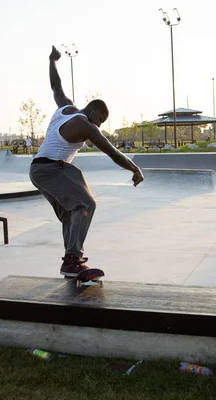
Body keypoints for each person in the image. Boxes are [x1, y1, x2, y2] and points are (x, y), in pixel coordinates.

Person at [29, 45, 144, 277]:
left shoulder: (65, 108)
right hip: (52, 169)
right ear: (92, 110)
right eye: (100, 120)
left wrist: (52, 61)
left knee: (70, 214)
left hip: (37, 170)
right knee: (86, 204)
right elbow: (112, 152)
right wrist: (134, 168)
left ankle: (71, 264)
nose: (99, 126)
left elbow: (55, 86)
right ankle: (73, 259)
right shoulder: (85, 124)